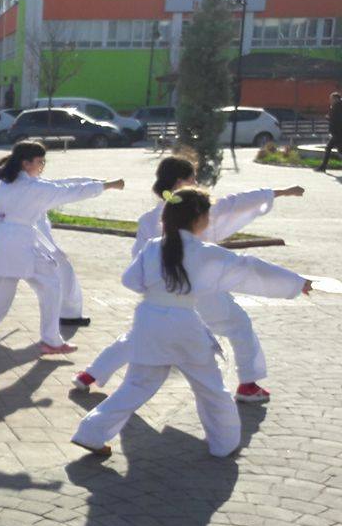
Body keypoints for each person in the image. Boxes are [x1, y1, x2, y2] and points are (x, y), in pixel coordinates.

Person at [71, 189, 310, 458]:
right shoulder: (206, 252)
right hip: (183, 324)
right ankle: (224, 443)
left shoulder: (152, 246)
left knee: (136, 386)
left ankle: (90, 433)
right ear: (199, 218)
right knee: (210, 388)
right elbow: (249, 268)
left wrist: (158, 292)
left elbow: (130, 280)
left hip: (148, 321)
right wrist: (296, 283)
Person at [74, 156, 304, 403]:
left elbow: (137, 261)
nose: (196, 183)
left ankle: (90, 375)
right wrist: (281, 192)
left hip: (164, 295)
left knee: (141, 334)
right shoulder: (200, 209)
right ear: (180, 182)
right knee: (240, 326)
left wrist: (151, 289)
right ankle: (248, 384)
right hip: (204, 293)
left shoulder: (148, 219)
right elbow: (239, 203)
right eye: (192, 178)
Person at [0, 141, 124, 354]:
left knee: (2, 297)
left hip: (5, 241)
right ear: (26, 163)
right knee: (50, 286)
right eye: (40, 162)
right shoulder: (35, 188)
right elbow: (71, 191)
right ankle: (51, 340)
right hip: (21, 245)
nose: (42, 166)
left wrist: (13, 220)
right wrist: (107, 185)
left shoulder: (7, 185)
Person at [316, 91, 342, 172]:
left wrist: (329, 117)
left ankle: (323, 166)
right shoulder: (336, 106)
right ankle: (323, 166)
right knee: (339, 150)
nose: (330, 100)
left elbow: (336, 119)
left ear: (336, 99)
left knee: (328, 148)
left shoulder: (337, 107)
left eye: (331, 99)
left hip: (338, 133)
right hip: (337, 133)